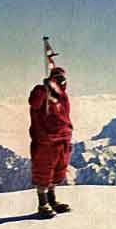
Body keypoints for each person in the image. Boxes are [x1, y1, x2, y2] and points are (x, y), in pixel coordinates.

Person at [29, 67, 73, 218]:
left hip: (62, 140)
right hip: (45, 141)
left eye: (62, 78)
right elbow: (34, 103)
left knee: (57, 172)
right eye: (57, 77)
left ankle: (52, 201)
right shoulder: (41, 91)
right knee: (44, 171)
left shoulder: (63, 97)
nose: (61, 80)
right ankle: (43, 204)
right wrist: (44, 89)